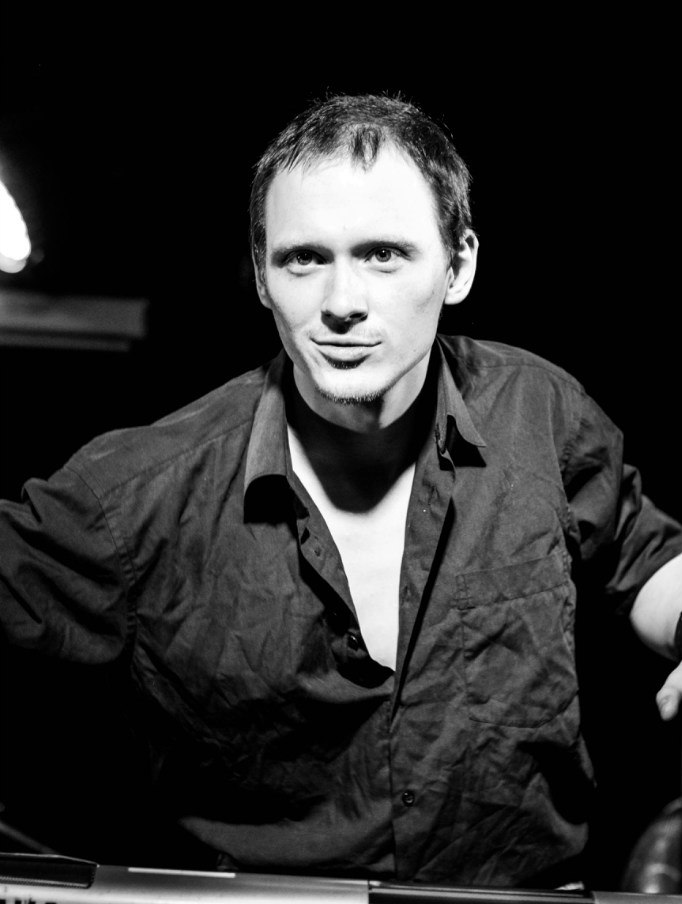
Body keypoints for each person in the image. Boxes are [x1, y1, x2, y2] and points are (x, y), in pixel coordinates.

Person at [1, 93, 681, 889]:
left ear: (459, 265)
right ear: (262, 276)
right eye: (303, 259)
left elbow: (646, 562)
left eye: (383, 254)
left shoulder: (539, 411)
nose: (341, 302)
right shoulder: (140, 494)